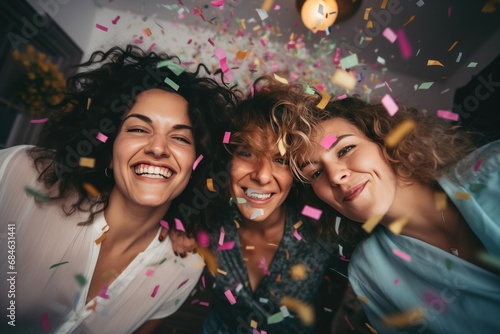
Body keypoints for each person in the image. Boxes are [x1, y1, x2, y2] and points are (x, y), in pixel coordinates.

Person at [0, 44, 239, 333]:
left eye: (180, 138)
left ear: (197, 165)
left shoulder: (184, 268)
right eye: (138, 129)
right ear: (108, 148)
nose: (158, 148)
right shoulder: (21, 176)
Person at [291, 96, 500, 333]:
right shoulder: (369, 272)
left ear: (386, 141)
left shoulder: (495, 170)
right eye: (316, 173)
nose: (336, 176)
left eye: (345, 149)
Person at [195, 76, 350, 334]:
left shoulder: (326, 232)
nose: (263, 175)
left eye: (281, 160)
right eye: (246, 152)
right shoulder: (205, 214)